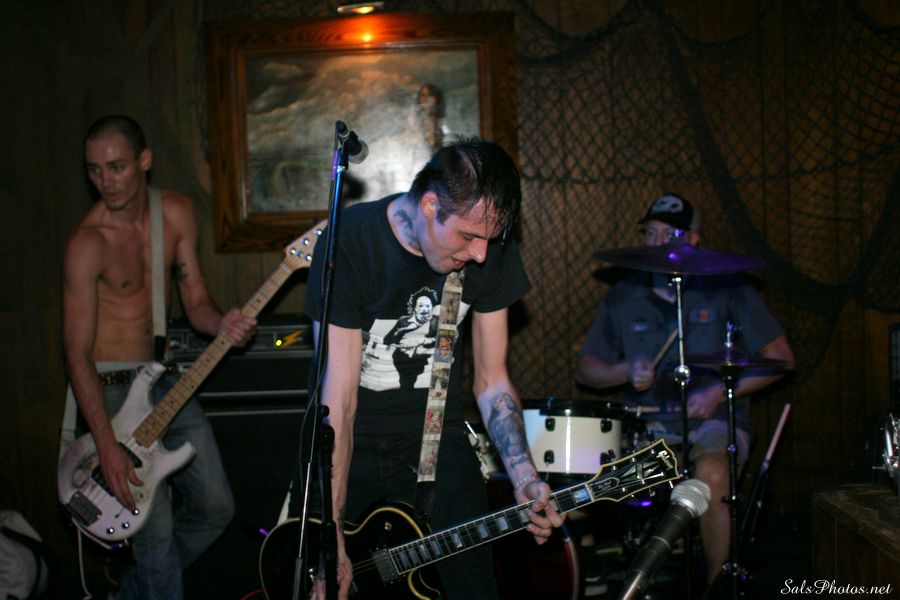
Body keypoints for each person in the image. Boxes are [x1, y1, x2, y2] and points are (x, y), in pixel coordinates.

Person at [303, 138, 564, 599]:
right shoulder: (350, 242)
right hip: (347, 443)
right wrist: (331, 533)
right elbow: (338, 401)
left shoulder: (489, 246)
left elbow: (492, 380)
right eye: (469, 237)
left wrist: (524, 475)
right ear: (429, 207)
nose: (481, 254)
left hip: (436, 438)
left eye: (489, 240)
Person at [62, 114, 257, 599]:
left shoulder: (175, 214)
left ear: (144, 160)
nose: (105, 181)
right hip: (109, 394)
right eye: (94, 170)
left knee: (216, 507)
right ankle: (152, 579)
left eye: (117, 167)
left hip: (164, 380)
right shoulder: (88, 244)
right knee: (157, 541)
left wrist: (223, 323)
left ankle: (134, 588)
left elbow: (196, 303)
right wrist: (106, 446)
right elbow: (76, 353)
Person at [575, 193, 794, 586]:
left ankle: (716, 588)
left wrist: (718, 393)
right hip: (646, 427)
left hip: (714, 422)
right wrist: (623, 371)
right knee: (581, 481)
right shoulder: (624, 294)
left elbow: (782, 358)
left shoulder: (728, 288)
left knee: (712, 473)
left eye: (671, 234)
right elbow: (586, 370)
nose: (659, 242)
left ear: (693, 239)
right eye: (651, 232)